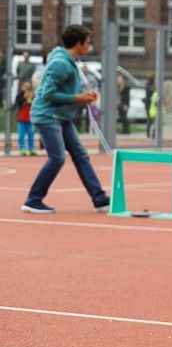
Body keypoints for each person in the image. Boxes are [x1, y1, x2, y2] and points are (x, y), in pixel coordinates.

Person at [21, 25, 110, 214]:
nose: (89, 46)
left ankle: (99, 198)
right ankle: (33, 199)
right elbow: (47, 94)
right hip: (48, 115)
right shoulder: (60, 63)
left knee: (80, 154)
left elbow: (64, 91)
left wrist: (82, 95)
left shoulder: (69, 61)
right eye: (87, 43)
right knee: (57, 157)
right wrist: (78, 98)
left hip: (61, 116)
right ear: (78, 44)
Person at [16, 81, 36, 156]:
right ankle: (22, 149)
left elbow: (35, 103)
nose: (26, 88)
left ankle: (32, 149)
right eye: (25, 87)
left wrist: (32, 97)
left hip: (30, 118)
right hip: (21, 118)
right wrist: (24, 98)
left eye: (28, 87)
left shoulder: (32, 94)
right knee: (21, 134)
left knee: (31, 134)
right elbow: (18, 104)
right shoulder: (20, 95)